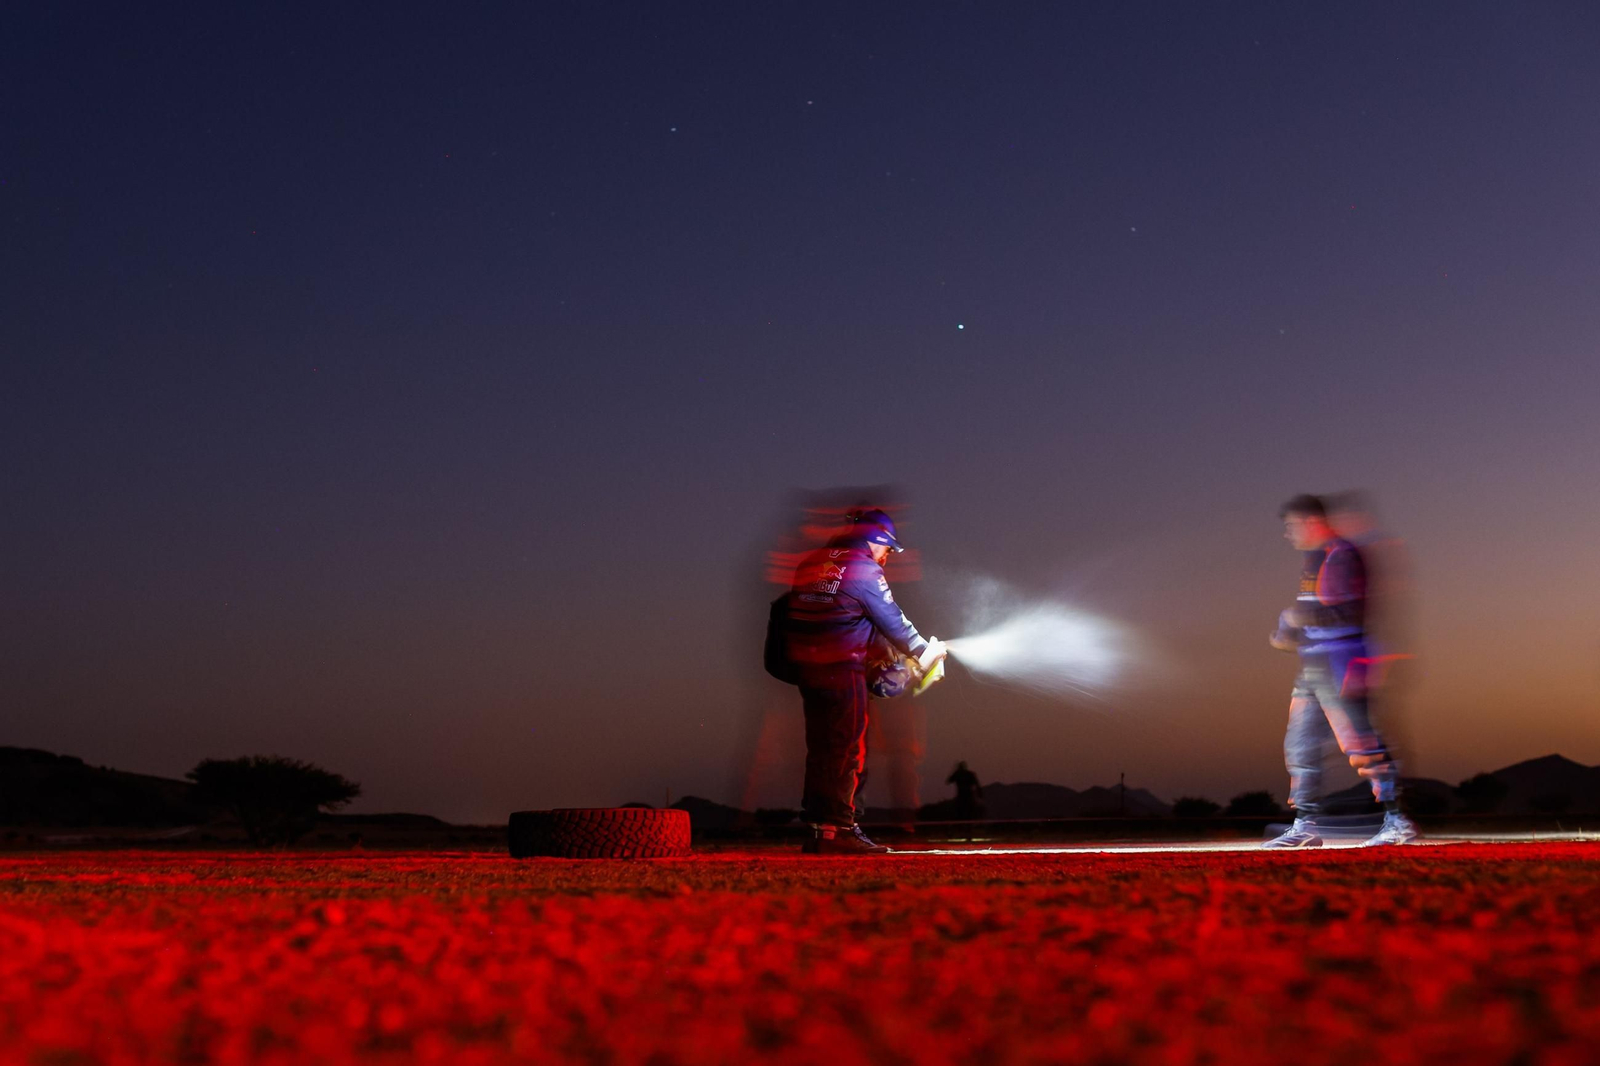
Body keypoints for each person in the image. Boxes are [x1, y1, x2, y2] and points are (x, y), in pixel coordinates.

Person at [779, 508, 945, 855]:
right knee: (846, 749)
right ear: (874, 540)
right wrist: (925, 654)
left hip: (809, 670)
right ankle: (838, 829)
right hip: (843, 669)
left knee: (822, 748)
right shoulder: (864, 568)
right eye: (888, 549)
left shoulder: (811, 563)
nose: (887, 557)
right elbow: (892, 620)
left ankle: (818, 830)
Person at [1265, 494, 1417, 848]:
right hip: (1314, 664)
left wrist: (1297, 619)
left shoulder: (1343, 556)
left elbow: (1349, 612)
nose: (1288, 534)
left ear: (1309, 522)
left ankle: (1397, 821)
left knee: (1360, 742)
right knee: (1300, 745)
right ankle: (1306, 825)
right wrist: (1292, 632)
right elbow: (1318, 614)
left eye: (1290, 526)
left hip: (1341, 661)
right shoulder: (1316, 560)